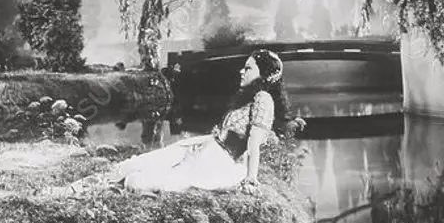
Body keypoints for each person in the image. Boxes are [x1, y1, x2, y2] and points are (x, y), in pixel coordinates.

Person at [53, 49, 289, 195]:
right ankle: (69, 191)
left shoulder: (263, 99)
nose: (241, 72)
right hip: (204, 147)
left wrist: (251, 179)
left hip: (215, 164)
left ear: (264, 74)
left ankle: (98, 191)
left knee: (139, 181)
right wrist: (192, 145)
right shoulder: (247, 99)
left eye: (248, 68)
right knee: (134, 163)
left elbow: (253, 145)